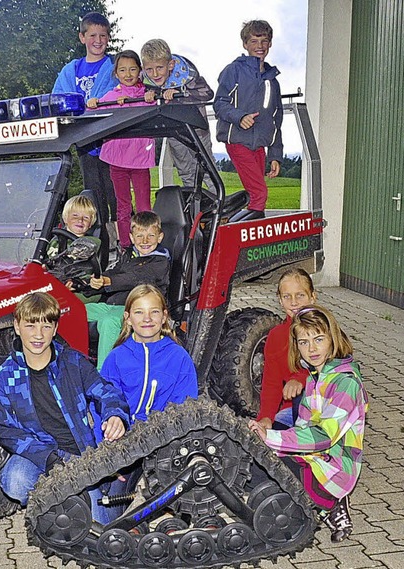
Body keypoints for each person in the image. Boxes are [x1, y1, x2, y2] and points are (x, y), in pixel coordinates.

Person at [0, 292, 130, 524]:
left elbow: (107, 392)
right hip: (40, 454)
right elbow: (3, 428)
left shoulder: (72, 362)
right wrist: (48, 458)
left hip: (78, 455)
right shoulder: (6, 375)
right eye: (30, 325)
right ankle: (55, 500)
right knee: (14, 481)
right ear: (17, 327)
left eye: (46, 326)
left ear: (55, 329)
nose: (38, 334)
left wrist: (115, 414)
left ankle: (97, 487)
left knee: (103, 527)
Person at [249, 305, 368, 543]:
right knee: (257, 461)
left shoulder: (346, 384)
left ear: (333, 339)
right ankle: (311, 503)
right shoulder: (315, 377)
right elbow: (302, 430)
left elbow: (322, 436)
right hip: (317, 458)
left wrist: (272, 438)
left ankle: (330, 503)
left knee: (268, 465)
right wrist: (266, 439)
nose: (311, 348)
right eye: (303, 342)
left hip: (334, 468)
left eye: (318, 339)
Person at [52, 12, 119, 239]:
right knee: (93, 192)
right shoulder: (71, 70)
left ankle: (123, 240)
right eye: (92, 35)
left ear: (108, 38)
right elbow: (57, 99)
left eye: (103, 35)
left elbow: (127, 91)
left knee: (115, 192)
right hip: (84, 141)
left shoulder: (115, 68)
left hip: (111, 139)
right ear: (82, 37)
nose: (98, 40)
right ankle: (99, 239)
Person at [214, 20, 283, 220]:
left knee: (256, 195)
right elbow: (219, 103)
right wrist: (240, 117)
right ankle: (232, 236)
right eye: (254, 41)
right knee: (259, 193)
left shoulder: (273, 81)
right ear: (245, 44)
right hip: (238, 140)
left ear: (270, 44)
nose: (259, 46)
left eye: (264, 41)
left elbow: (276, 119)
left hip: (259, 145)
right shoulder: (233, 70)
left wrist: (275, 154)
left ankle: (239, 233)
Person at [87, 50, 156, 248]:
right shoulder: (111, 95)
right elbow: (94, 109)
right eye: (122, 70)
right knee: (122, 206)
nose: (128, 74)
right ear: (116, 73)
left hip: (140, 159)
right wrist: (93, 103)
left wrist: (151, 98)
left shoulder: (146, 94)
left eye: (133, 69)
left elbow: (157, 104)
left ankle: (147, 244)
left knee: (144, 206)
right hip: (117, 160)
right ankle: (125, 245)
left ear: (140, 71)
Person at [101, 284, 198, 424]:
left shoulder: (178, 357)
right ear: (128, 318)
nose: (147, 318)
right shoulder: (116, 358)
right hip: (123, 438)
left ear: (164, 316)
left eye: (154, 312)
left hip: (164, 438)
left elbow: (186, 406)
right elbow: (104, 402)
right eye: (139, 312)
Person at [86, 210, 170, 369]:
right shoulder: (129, 255)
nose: (145, 240)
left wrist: (108, 281)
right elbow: (115, 271)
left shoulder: (160, 261)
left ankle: (104, 376)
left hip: (138, 310)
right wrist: (94, 280)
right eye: (139, 236)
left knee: (108, 322)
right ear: (131, 237)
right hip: (114, 305)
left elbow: (137, 277)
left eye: (151, 236)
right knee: (70, 310)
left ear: (159, 237)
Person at [140, 39, 216, 192]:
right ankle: (195, 205)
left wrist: (180, 95)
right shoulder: (146, 81)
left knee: (207, 168)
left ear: (171, 65)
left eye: (160, 67)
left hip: (197, 130)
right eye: (149, 69)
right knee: (185, 169)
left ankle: (219, 205)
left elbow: (208, 93)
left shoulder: (187, 75)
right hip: (174, 132)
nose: (155, 74)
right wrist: (149, 96)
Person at [257, 268, 316, 429]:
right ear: (280, 300)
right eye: (287, 296)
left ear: (313, 296)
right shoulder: (276, 336)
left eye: (300, 295)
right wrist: (266, 417)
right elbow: (271, 383)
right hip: (291, 411)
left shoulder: (325, 330)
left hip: (326, 408)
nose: (294, 302)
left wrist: (300, 379)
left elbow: (335, 369)